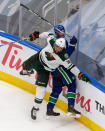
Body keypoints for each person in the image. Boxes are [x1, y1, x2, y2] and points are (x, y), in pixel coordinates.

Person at [20, 32, 90, 120]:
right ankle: (27, 70)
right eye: (56, 46)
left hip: (45, 70)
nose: (56, 49)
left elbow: (71, 67)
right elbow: (47, 34)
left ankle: (35, 108)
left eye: (59, 48)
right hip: (38, 58)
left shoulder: (63, 57)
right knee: (24, 65)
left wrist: (80, 74)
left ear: (63, 48)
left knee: (41, 90)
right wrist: (37, 35)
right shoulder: (52, 41)